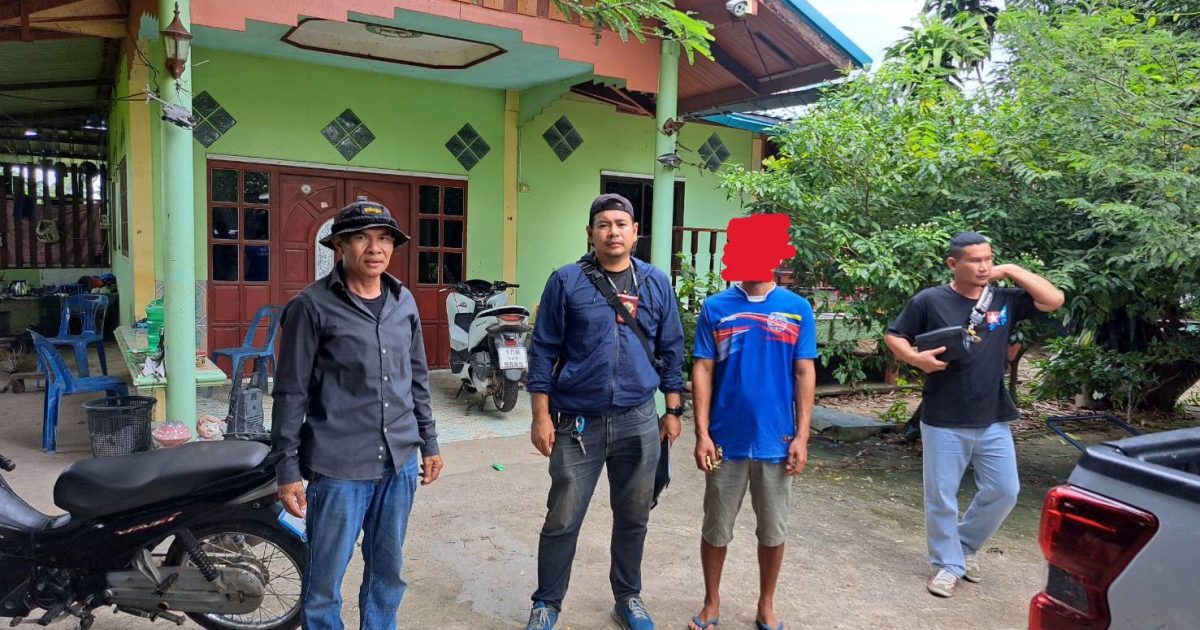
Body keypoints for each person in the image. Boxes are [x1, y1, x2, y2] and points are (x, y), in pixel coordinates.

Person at [271, 196, 444, 630]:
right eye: (361, 238)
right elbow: (291, 393)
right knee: (324, 580)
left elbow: (417, 378)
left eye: (384, 238)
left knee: (388, 571)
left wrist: (430, 442)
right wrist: (287, 470)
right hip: (338, 466)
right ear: (340, 246)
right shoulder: (311, 306)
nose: (375, 248)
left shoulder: (403, 301)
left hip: (399, 462)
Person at [524, 193, 686, 630]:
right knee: (562, 517)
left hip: (638, 419)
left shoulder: (655, 282)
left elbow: (672, 348)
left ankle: (628, 598)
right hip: (578, 423)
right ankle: (547, 603)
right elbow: (543, 351)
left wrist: (673, 410)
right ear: (590, 233)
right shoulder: (566, 281)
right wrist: (540, 415)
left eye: (621, 224)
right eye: (603, 224)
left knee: (634, 516)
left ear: (635, 233)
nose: (613, 232)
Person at [884, 231, 1063, 598]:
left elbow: (1053, 300)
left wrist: (1010, 269)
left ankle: (964, 545)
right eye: (975, 260)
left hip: (993, 414)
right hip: (944, 415)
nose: (984, 266)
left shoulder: (1003, 298)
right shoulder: (930, 300)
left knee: (1005, 490)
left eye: (988, 259)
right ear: (953, 264)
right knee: (942, 497)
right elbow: (895, 335)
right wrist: (915, 358)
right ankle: (946, 564)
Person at [688, 215, 816, 630]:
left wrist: (802, 436)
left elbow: (804, 372)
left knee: (773, 530)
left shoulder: (797, 309)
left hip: (777, 440)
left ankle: (766, 604)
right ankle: (711, 602)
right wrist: (702, 433)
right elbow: (703, 369)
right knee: (716, 527)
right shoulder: (716, 307)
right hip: (725, 440)